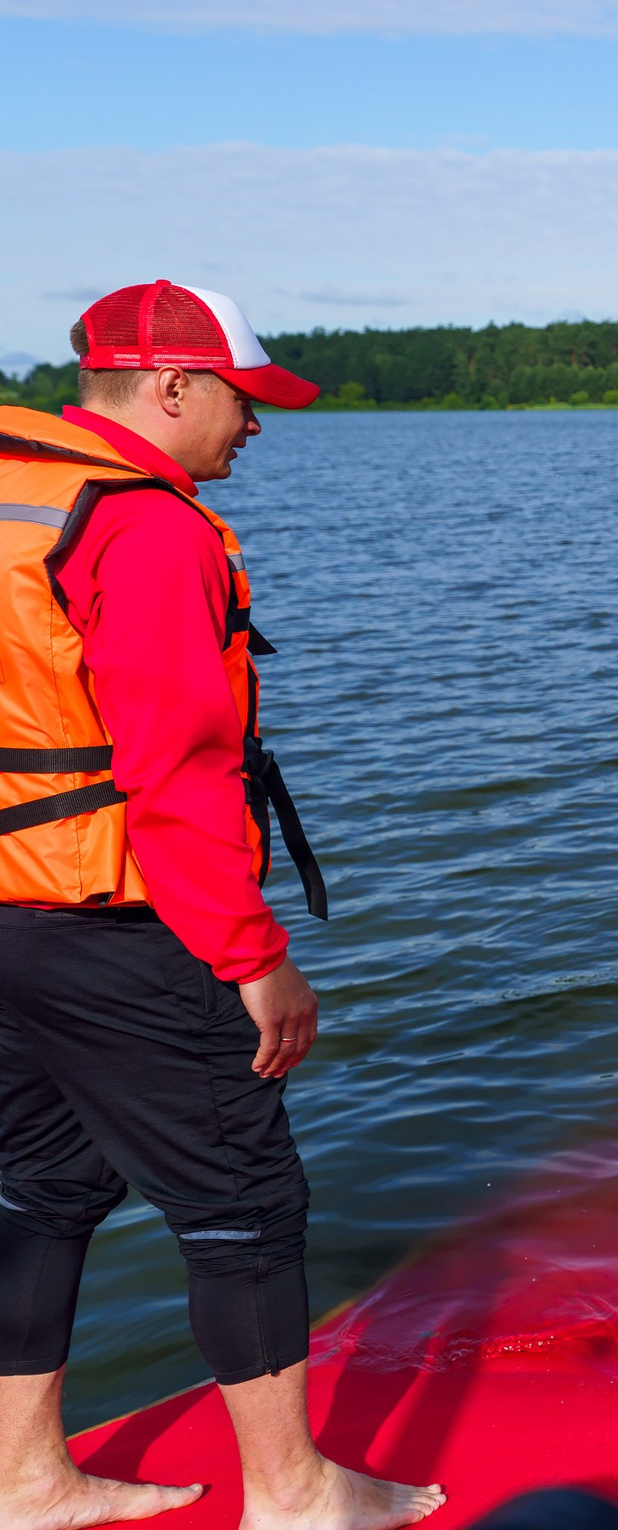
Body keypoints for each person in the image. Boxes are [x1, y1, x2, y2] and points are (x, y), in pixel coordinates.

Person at [0, 283, 445, 1528]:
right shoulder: (144, 530)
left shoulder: (12, 489)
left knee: (41, 1190)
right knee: (245, 1204)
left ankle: (22, 1479)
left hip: (3, 926)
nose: (255, 427)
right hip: (117, 922)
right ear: (173, 386)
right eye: (245, 401)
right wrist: (255, 957)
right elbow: (177, 772)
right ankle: (297, 1498)